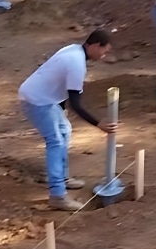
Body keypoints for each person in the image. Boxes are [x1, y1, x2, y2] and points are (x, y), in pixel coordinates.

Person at [19, 29, 117, 211]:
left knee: (65, 130)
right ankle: (57, 195)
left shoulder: (73, 50)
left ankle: (62, 178)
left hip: (46, 99)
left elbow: (61, 86)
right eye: (104, 50)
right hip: (37, 101)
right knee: (55, 141)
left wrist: (61, 111)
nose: (104, 55)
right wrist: (98, 124)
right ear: (95, 46)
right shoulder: (76, 64)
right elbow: (76, 103)